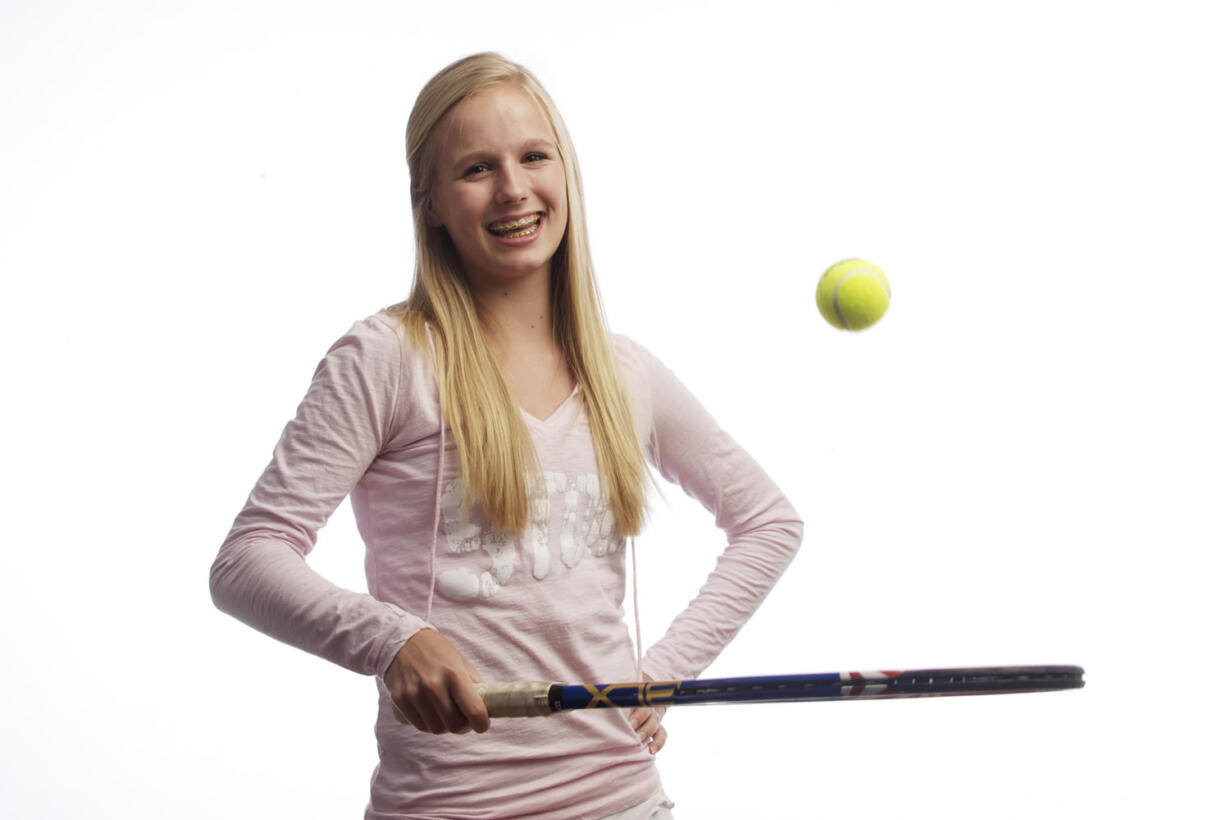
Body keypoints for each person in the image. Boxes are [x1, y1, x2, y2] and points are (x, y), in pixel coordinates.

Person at [210, 52, 803, 820]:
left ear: (567, 174)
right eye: (476, 169)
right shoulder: (389, 358)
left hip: (624, 800)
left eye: (533, 157)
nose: (514, 189)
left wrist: (662, 674)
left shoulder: (625, 373)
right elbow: (247, 559)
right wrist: (391, 640)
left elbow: (768, 522)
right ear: (430, 203)